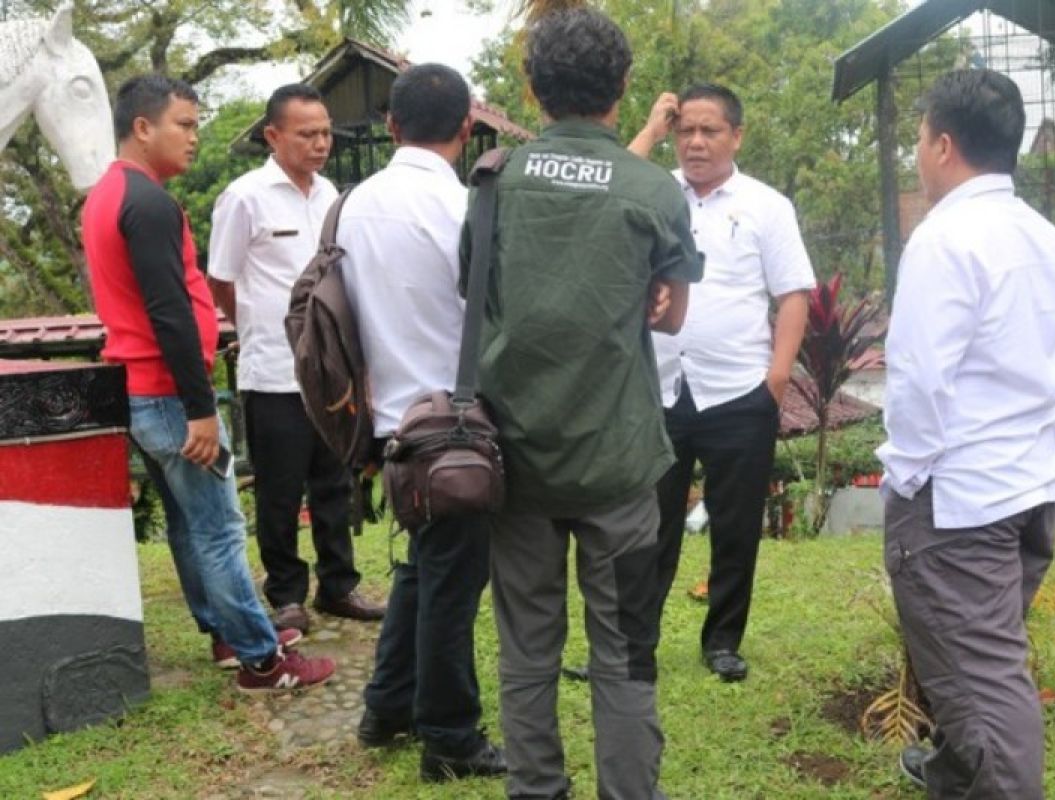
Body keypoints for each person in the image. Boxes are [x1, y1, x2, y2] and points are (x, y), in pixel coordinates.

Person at [465, 9, 703, 798]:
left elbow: (475, 290)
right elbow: (671, 310)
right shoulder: (653, 190)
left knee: (528, 647)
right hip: (620, 462)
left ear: (532, 89)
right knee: (625, 649)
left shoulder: (495, 181)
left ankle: (536, 788)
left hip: (517, 459)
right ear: (625, 87)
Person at [82, 74, 335, 692]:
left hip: (145, 388)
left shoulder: (107, 193)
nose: (196, 138)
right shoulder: (146, 204)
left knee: (188, 520)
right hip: (169, 394)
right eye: (185, 125)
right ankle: (260, 659)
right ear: (143, 128)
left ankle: (224, 631)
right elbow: (168, 311)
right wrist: (200, 409)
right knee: (220, 526)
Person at [876, 69, 1055, 799]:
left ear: (943, 145)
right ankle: (950, 776)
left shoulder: (945, 240)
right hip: (1026, 491)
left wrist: (906, 474)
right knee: (975, 664)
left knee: (986, 687)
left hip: (960, 504)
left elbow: (919, 380)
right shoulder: (1051, 242)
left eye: (919, 141)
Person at [337, 64, 505, 783]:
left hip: (385, 420)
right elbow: (492, 315)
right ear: (468, 128)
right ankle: (450, 736)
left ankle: (386, 706)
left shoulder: (349, 206)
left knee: (422, 564)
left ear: (391, 126)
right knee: (452, 582)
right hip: (456, 425)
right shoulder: (464, 208)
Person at [628, 83, 815, 682]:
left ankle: (723, 641)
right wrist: (650, 129)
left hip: (740, 391)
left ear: (737, 136)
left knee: (735, 527)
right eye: (686, 131)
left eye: (710, 131)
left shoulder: (767, 205)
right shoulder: (655, 193)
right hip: (660, 386)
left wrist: (776, 379)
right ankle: (636, 646)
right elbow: (613, 188)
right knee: (647, 527)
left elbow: (792, 295)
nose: (696, 142)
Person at [207, 84, 384, 635]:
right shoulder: (246, 197)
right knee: (280, 492)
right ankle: (286, 595)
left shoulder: (330, 193)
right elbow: (222, 281)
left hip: (330, 372)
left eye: (326, 132)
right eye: (307, 134)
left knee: (334, 484)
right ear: (273, 135)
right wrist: (259, 327)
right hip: (274, 372)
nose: (320, 143)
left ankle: (340, 585)